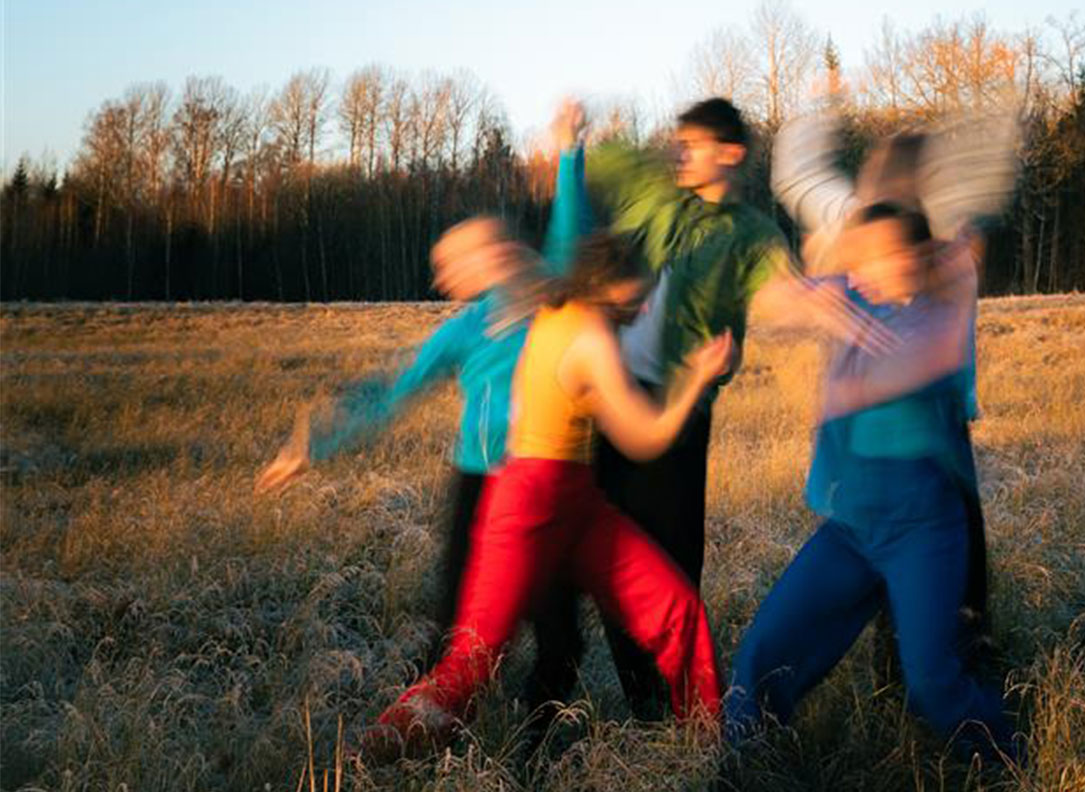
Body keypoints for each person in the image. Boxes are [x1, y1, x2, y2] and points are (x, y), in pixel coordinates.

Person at [542, 96, 887, 719]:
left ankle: (679, 705)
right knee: (613, 553)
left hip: (681, 412)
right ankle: (644, 701)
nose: (680, 152)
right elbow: (599, 160)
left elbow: (777, 296)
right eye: (677, 141)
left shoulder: (750, 234)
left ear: (731, 153)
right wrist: (571, 138)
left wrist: (819, 301)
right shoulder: (654, 191)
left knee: (674, 559)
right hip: (610, 398)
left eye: (694, 144)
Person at [256, 102, 594, 712]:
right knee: (456, 619)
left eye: (450, 264)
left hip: (547, 479)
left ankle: (539, 731)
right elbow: (394, 389)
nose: (441, 279)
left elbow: (570, 235)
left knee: (559, 634)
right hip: (480, 482)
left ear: (492, 255)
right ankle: (418, 719)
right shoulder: (463, 329)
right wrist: (314, 444)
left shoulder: (549, 298)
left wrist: (569, 152)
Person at [368, 231, 734, 758]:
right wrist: (696, 378)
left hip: (577, 501)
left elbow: (555, 239)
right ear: (605, 286)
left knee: (676, 609)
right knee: (473, 659)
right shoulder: (590, 337)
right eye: (637, 295)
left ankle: (707, 745)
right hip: (527, 504)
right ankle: (375, 755)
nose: (643, 307)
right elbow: (644, 437)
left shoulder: (554, 304)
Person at [725, 204, 1018, 758]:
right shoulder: (859, 292)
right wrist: (807, 299)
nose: (855, 272)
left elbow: (889, 374)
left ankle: (1009, 757)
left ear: (913, 259)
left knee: (931, 684)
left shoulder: (940, 324)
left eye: (871, 258)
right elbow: (771, 305)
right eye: (853, 259)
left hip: (923, 535)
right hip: (851, 531)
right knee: (762, 652)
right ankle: (740, 761)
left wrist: (838, 325)